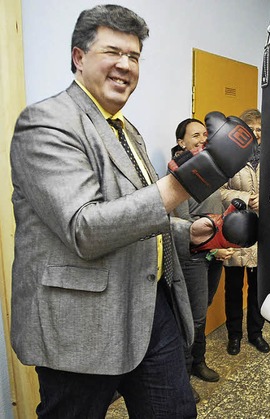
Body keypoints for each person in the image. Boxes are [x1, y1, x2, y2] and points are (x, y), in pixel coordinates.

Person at [8, 5, 245, 417]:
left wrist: (184, 232)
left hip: (152, 308)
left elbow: (133, 213)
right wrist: (188, 179)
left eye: (133, 56)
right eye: (112, 52)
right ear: (79, 58)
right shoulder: (46, 123)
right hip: (81, 325)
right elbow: (85, 228)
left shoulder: (124, 128)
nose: (125, 65)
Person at [171, 118, 236, 402]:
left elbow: (217, 208)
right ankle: (181, 380)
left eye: (205, 135)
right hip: (194, 256)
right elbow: (184, 223)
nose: (201, 139)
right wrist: (214, 249)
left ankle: (198, 362)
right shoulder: (178, 174)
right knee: (192, 318)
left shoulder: (208, 169)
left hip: (214, 253)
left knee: (203, 310)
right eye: (195, 135)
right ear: (180, 142)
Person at [221, 108, 270, 355]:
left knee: (257, 287)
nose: (257, 133)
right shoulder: (228, 156)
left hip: (262, 232)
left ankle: (256, 333)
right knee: (233, 288)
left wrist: (266, 200)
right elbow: (217, 192)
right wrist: (244, 198)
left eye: (260, 129)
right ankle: (234, 336)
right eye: (251, 128)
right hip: (236, 231)